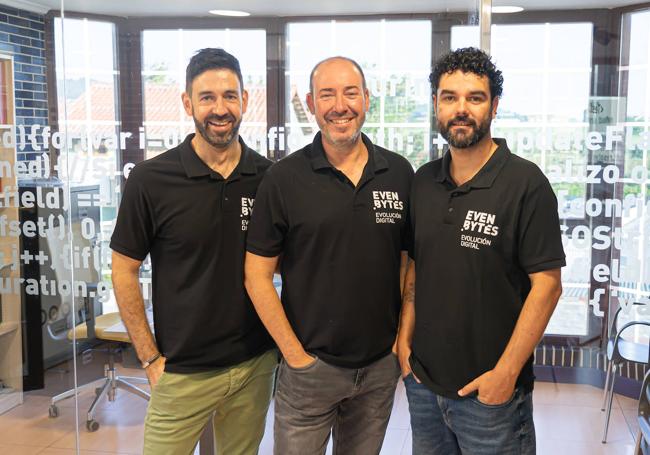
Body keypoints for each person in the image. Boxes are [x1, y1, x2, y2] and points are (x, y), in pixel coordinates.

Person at [397, 47, 565, 455]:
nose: (461, 109)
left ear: (494, 107)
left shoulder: (526, 184)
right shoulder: (423, 181)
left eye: (475, 98)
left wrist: (505, 374)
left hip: (491, 398)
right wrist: (404, 343)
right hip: (424, 387)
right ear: (436, 104)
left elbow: (547, 286)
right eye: (449, 97)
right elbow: (417, 266)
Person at [110, 48, 276, 455]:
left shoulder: (269, 178)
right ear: (187, 103)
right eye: (207, 98)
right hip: (181, 372)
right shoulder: (151, 180)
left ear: (245, 100)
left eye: (230, 96)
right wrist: (149, 359)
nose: (220, 109)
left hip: (254, 365)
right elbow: (123, 269)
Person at [245, 56, 413, 455]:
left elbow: (410, 264)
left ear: (367, 99)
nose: (341, 105)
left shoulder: (399, 173)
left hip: (378, 370)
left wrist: (399, 342)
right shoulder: (284, 179)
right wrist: (295, 356)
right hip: (309, 372)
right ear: (310, 102)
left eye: (351, 92)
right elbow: (256, 276)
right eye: (328, 94)